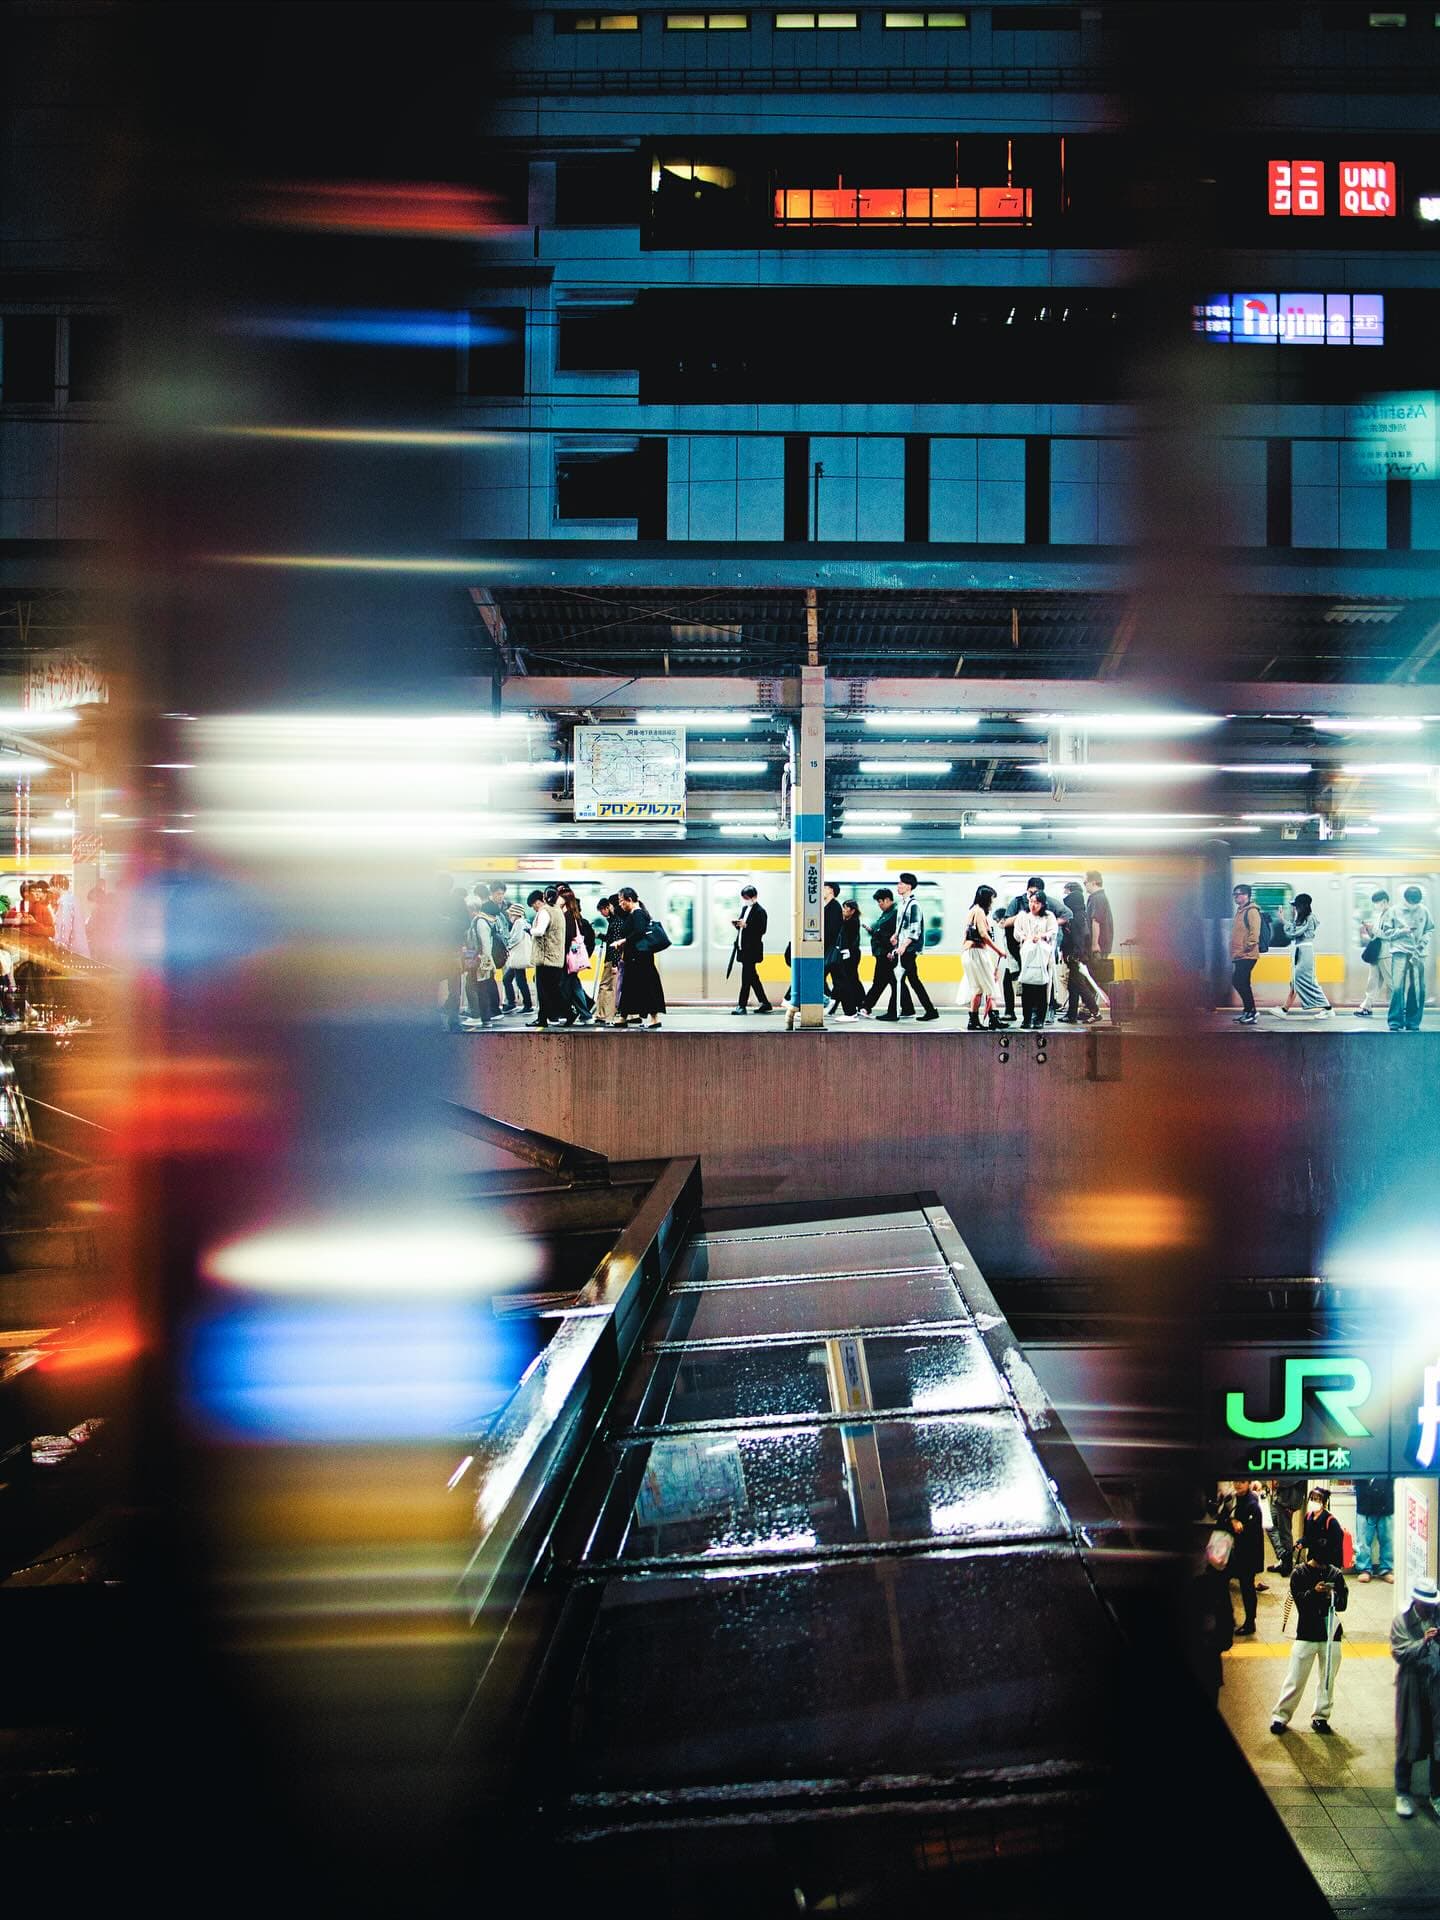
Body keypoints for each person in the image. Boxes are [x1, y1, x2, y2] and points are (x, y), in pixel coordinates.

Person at [1269, 1542, 1346, 1736]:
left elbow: (1343, 1603)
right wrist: (1315, 1592)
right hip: (1307, 1633)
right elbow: (1301, 1603)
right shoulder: (1299, 1574)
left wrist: (1331, 1594)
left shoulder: (1335, 1574)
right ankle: (1280, 1716)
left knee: (1327, 1679)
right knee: (1295, 1677)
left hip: (1331, 1635)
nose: (1323, 1568)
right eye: (1320, 1564)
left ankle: (1321, 1717)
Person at [1392, 1574, 1440, 1819]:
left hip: (1436, 1686)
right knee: (1408, 1740)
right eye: (1425, 1604)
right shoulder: (1401, 1622)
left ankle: (1437, 1794)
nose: (1428, 1608)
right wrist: (1424, 1642)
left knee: (1438, 1742)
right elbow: (1400, 1653)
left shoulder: (1437, 1616)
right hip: (1412, 1688)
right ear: (1415, 1601)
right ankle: (1403, 1791)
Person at [1381, 884, 1434, 1033]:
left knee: (1418, 989)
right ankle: (1395, 1021)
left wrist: (1423, 942)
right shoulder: (1394, 911)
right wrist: (1402, 931)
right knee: (1397, 987)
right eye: (1411, 902)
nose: (1414, 906)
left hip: (1418, 953)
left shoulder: (1424, 910)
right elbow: (1386, 932)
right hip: (1400, 952)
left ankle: (1413, 1022)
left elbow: (1430, 929)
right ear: (1405, 899)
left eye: (1416, 903)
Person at [613, 886, 665, 1029]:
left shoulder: (638, 914)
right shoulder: (635, 914)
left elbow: (639, 932)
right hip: (636, 959)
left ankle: (653, 1018)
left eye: (621, 901)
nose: (620, 904)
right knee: (632, 987)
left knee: (645, 988)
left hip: (640, 959)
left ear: (629, 900)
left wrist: (622, 941)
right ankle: (624, 1016)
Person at [958, 884, 1005, 1031]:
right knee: (991, 985)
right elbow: (983, 935)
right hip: (977, 953)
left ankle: (974, 1020)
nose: (992, 902)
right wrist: (999, 951)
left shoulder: (972, 910)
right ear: (986, 898)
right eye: (991, 898)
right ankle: (993, 1019)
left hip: (969, 953)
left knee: (978, 988)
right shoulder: (978, 911)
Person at [1012, 884, 1059, 1031]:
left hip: (1043, 958)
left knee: (1042, 988)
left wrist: (1042, 936)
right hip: (1027, 957)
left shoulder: (1049, 916)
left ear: (1043, 904)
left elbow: (1053, 931)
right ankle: (1026, 1018)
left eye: (1037, 903)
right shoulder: (1022, 916)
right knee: (1027, 988)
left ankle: (1040, 1019)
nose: (1033, 905)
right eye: (1032, 902)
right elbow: (1016, 933)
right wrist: (1025, 937)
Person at [893, 871, 938, 1022]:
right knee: (910, 980)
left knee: (906, 980)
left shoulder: (914, 905)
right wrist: (895, 936)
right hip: (903, 947)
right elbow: (902, 926)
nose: (898, 886)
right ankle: (916, 1009)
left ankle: (921, 1010)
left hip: (909, 949)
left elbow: (914, 930)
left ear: (909, 886)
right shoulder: (902, 904)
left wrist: (904, 946)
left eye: (901, 883)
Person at [526, 885, 572, 1029]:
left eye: (533, 905)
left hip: (545, 959)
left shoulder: (545, 911)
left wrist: (529, 930)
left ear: (543, 899)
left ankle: (568, 1013)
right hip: (556, 958)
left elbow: (539, 931)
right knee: (551, 991)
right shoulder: (559, 911)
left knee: (547, 992)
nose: (534, 908)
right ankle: (543, 1018)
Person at [1278, 893, 1331, 1016]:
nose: (1294, 908)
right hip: (1300, 952)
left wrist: (1283, 922)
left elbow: (1294, 933)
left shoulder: (1309, 918)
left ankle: (1328, 1008)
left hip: (1305, 952)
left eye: (1296, 906)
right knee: (1296, 980)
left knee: (1304, 980)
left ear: (1302, 906)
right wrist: (1283, 920)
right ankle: (1284, 1009)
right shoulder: (1303, 918)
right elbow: (1294, 929)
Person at [1225, 1476, 1265, 1637]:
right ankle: (1229, 1618)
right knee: (1222, 1581)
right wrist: (1232, 1520)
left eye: (1241, 1482)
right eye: (1235, 1481)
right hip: (1234, 1553)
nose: (1237, 1484)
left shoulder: (1252, 1505)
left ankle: (1250, 1622)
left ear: (1248, 1483)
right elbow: (1223, 1518)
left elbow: (1249, 1532)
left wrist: (1237, 1524)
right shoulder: (1232, 1499)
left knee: (1247, 1588)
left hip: (1248, 1555)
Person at [1059, 880, 1100, 1024]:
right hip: (1076, 956)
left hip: (1076, 957)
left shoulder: (1076, 917)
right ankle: (1071, 1015)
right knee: (1073, 986)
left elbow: (1078, 938)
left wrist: (1075, 955)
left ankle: (1095, 1011)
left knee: (1079, 985)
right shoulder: (1080, 914)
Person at [556, 882, 595, 1024]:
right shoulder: (573, 914)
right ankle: (585, 1014)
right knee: (574, 985)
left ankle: (569, 1013)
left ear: (564, 900)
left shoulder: (567, 916)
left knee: (565, 985)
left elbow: (567, 937)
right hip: (570, 957)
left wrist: (562, 955)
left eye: (559, 898)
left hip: (567, 958)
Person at [437, 872, 471, 1033]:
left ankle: (443, 1020)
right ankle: (453, 1020)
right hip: (452, 952)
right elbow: (466, 923)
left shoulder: (430, 902)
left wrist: (445, 922)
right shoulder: (458, 901)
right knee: (455, 988)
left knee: (435, 985)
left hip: (437, 952)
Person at [730, 884, 772, 1015]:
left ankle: (741, 1006)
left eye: (747, 897)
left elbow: (761, 930)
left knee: (746, 979)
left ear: (754, 897)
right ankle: (765, 1003)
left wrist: (746, 925)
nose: (745, 900)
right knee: (753, 977)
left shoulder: (760, 911)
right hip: (743, 949)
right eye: (744, 898)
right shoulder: (744, 908)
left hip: (752, 950)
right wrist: (738, 925)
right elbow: (743, 928)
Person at [864, 888, 901, 1020]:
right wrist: (873, 931)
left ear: (887, 900)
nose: (879, 904)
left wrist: (876, 933)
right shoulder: (887, 913)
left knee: (883, 982)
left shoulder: (894, 913)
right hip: (883, 953)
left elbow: (888, 935)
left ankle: (867, 1006)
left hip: (886, 954)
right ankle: (907, 1008)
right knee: (891, 982)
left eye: (880, 901)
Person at [1356, 888, 1391, 1019]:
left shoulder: (1391, 914)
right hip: (1377, 953)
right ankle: (1366, 1007)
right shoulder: (1380, 915)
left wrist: (1373, 929)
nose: (1376, 905)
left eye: (1377, 902)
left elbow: (1389, 935)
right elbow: (1375, 934)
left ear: (1384, 901)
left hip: (1386, 953)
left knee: (1391, 982)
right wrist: (1369, 929)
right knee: (1373, 981)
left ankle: (1399, 1008)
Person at [1230, 882, 1261, 1027]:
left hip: (1247, 954)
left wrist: (1247, 948)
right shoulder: (1240, 911)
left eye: (1239, 894)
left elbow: (1254, 933)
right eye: (1234, 894)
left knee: (1238, 981)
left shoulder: (1251, 911)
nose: (1236, 897)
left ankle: (1252, 1011)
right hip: (1239, 954)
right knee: (1243, 982)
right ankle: (1248, 1012)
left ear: (1247, 895)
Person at [1353, 1479, 1394, 1585]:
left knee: (1388, 1540)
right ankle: (1364, 1569)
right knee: (1363, 1540)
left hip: (1386, 1504)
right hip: (1364, 1504)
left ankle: (1386, 1569)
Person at [830, 897, 865, 1018]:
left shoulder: (852, 922)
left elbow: (849, 939)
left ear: (852, 911)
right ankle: (859, 1003)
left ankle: (858, 1004)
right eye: (843, 908)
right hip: (848, 953)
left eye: (846, 909)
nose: (843, 911)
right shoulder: (847, 921)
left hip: (851, 954)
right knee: (850, 979)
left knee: (849, 979)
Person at [592, 897, 622, 1025]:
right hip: (612, 960)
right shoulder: (615, 921)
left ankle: (603, 1015)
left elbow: (615, 944)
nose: (602, 914)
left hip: (611, 960)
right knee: (611, 987)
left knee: (606, 987)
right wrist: (599, 935)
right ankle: (606, 1014)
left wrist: (615, 964)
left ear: (607, 907)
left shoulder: (615, 923)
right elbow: (611, 939)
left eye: (601, 911)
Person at [1267, 1476, 1305, 1577]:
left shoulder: (1297, 1460)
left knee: (1285, 1532)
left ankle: (1286, 1564)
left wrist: (1278, 1481)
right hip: (1279, 1497)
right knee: (1269, 1524)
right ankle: (1283, 1556)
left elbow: (1296, 1477)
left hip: (1288, 1500)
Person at [501, 902, 533, 1015]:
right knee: (514, 980)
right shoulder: (525, 922)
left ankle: (522, 1004)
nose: (509, 916)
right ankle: (518, 1003)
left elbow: (516, 938)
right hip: (519, 957)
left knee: (514, 980)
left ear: (515, 914)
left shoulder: (519, 923)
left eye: (510, 914)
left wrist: (507, 944)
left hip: (518, 957)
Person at [49, 874, 89, 957]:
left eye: (51, 887)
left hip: (72, 951)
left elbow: (65, 925)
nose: (51, 890)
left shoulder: (65, 902)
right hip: (79, 947)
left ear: (57, 886)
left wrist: (60, 943)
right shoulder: (73, 899)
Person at [822, 881, 843, 1013]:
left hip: (829, 949)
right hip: (828, 949)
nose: (822, 890)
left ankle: (829, 1001)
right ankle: (830, 1002)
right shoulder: (829, 906)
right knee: (839, 981)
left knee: (819, 977)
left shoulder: (834, 907)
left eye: (824, 888)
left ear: (831, 890)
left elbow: (831, 930)